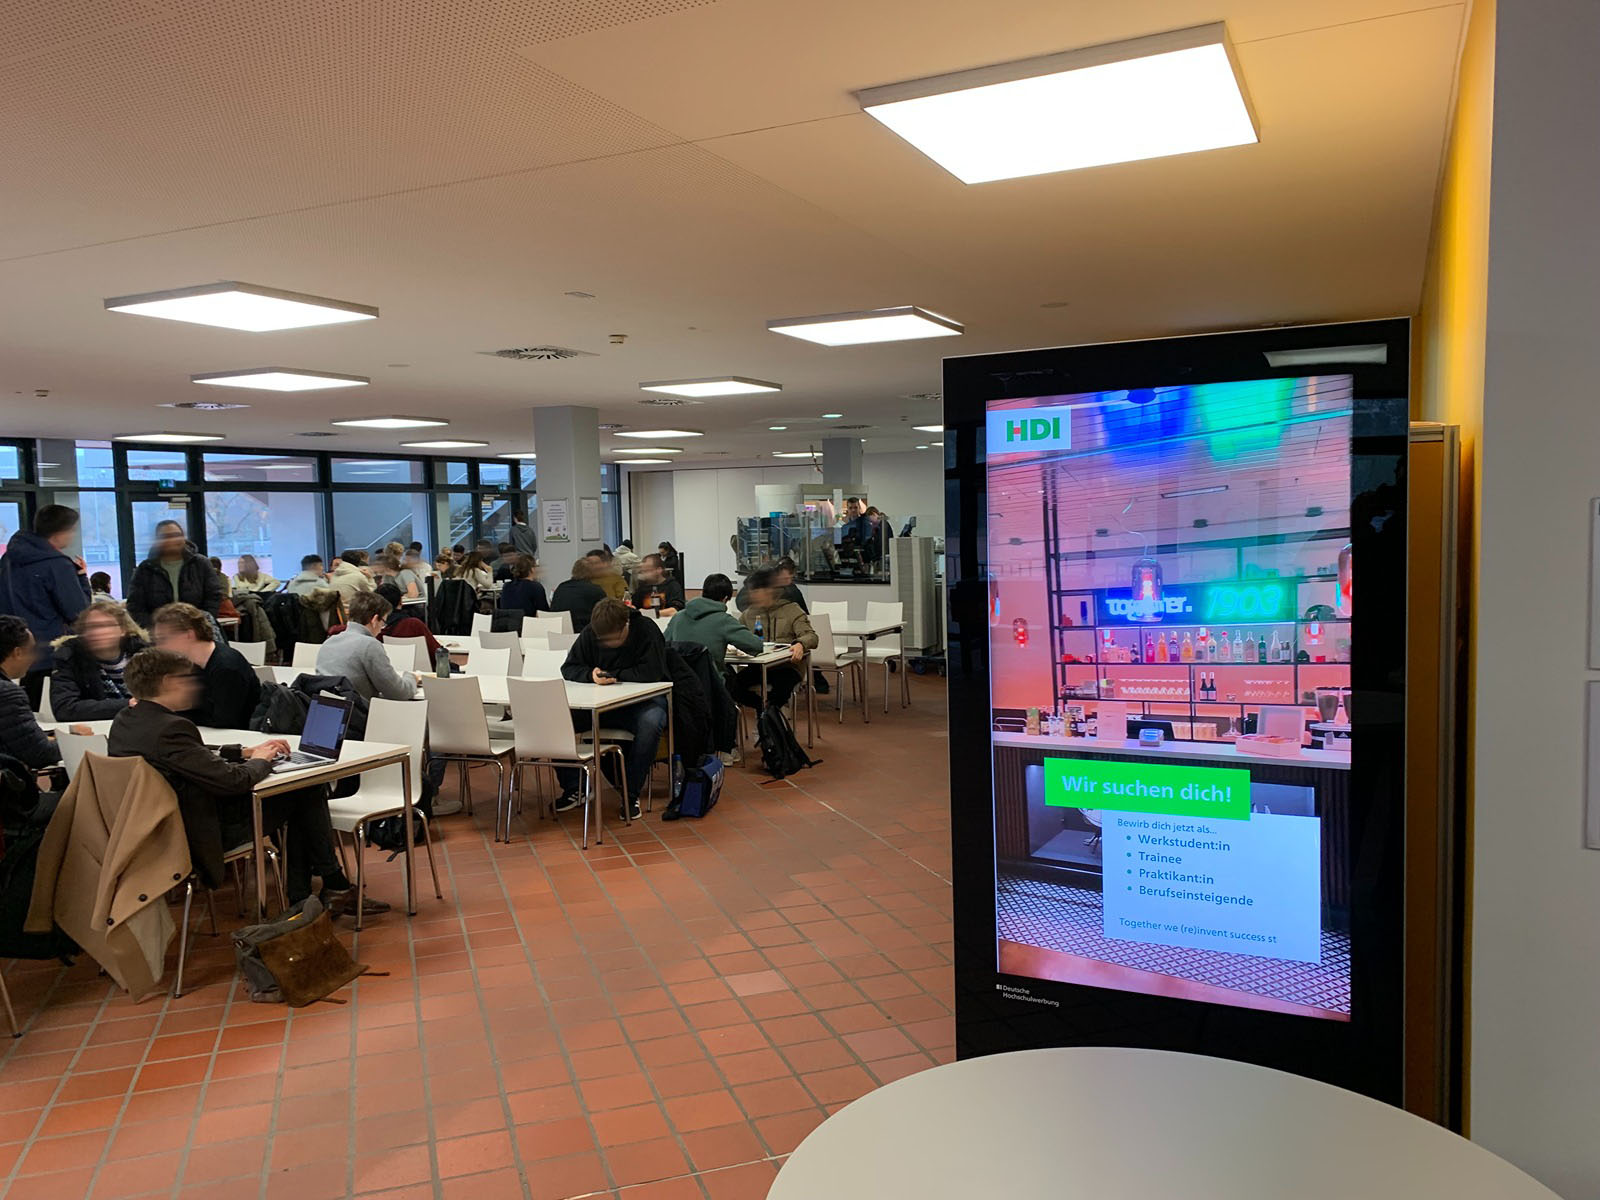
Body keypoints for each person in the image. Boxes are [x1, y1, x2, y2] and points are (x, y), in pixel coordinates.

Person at [108, 648, 375, 912]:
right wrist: (262, 760)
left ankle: (314, 894)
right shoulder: (172, 729)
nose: (193, 687)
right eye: (186, 679)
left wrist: (242, 752)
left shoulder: (127, 720)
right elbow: (234, 781)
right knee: (305, 789)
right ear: (167, 683)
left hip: (154, 833)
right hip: (199, 834)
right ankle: (322, 889)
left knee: (300, 794)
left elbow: (187, 755)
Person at [555, 599, 669, 819]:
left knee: (652, 722)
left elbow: (652, 672)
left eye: (613, 639)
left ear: (625, 624)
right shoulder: (591, 633)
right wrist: (591, 675)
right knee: (556, 719)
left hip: (643, 701)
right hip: (602, 703)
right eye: (603, 641)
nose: (607, 644)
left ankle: (630, 793)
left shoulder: (646, 630)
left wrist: (613, 675)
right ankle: (574, 787)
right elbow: (569, 668)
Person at [0, 504, 91, 706]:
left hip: (13, 651)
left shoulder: (8, 559)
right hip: (50, 653)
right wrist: (83, 579)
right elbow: (79, 612)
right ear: (62, 532)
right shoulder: (58, 565)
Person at [149, 602, 260, 730]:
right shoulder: (191, 664)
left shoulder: (227, 667)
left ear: (188, 635)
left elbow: (223, 721)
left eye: (164, 639)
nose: (159, 646)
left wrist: (165, 712)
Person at [0, 615, 88, 770]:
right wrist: (76, 739)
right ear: (17, 652)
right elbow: (40, 754)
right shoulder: (8, 694)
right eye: (31, 650)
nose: (34, 659)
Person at [733, 567, 817, 711]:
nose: (752, 596)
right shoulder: (749, 614)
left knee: (780, 690)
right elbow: (735, 634)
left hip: (787, 667)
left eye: (755, 591)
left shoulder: (791, 610)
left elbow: (811, 636)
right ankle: (764, 710)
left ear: (768, 590)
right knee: (731, 686)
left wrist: (800, 644)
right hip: (759, 667)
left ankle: (770, 718)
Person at [50, 600, 148, 721]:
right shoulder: (69, 657)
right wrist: (127, 705)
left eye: (106, 625)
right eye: (91, 627)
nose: (98, 632)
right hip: (95, 731)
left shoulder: (145, 655)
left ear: (123, 630)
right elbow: (65, 709)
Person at [316, 592, 420, 701]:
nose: (382, 628)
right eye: (383, 622)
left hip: (326, 711)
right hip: (358, 714)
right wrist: (412, 677)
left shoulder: (328, 642)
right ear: (374, 620)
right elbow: (399, 693)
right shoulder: (369, 645)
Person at [125, 520, 222, 629]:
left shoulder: (201, 563)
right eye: (165, 536)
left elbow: (214, 596)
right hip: (159, 634)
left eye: (176, 535)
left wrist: (202, 623)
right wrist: (153, 629)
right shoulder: (145, 569)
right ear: (158, 541)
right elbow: (135, 605)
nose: (172, 540)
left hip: (198, 630)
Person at [667, 574, 763, 662]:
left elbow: (662, 645)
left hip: (681, 678)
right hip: (712, 679)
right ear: (725, 599)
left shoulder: (677, 617)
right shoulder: (724, 620)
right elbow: (756, 646)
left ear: (703, 593)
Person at [549, 557, 608, 633]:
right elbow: (606, 615)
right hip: (584, 634)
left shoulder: (561, 587)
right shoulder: (595, 590)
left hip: (557, 632)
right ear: (592, 573)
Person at [735, 557, 808, 613]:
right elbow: (740, 602)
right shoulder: (759, 585)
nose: (788, 582)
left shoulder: (792, 591)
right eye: (784, 578)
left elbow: (804, 613)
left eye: (790, 578)